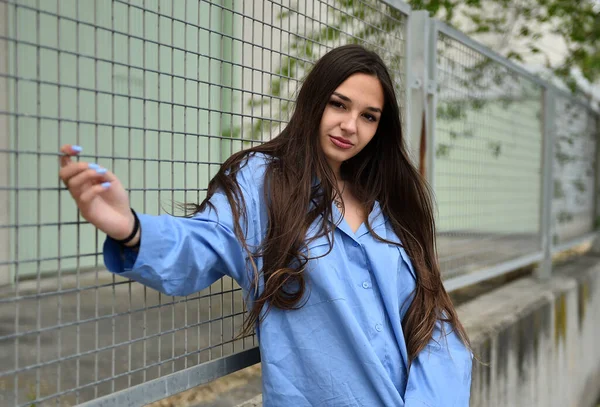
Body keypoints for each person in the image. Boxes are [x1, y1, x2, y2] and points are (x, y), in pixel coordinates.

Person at [59, 44, 472, 406]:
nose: (351, 126)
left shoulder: (389, 202)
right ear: (313, 102)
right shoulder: (263, 183)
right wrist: (129, 227)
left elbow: (432, 322)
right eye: (339, 104)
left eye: (369, 116)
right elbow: (202, 243)